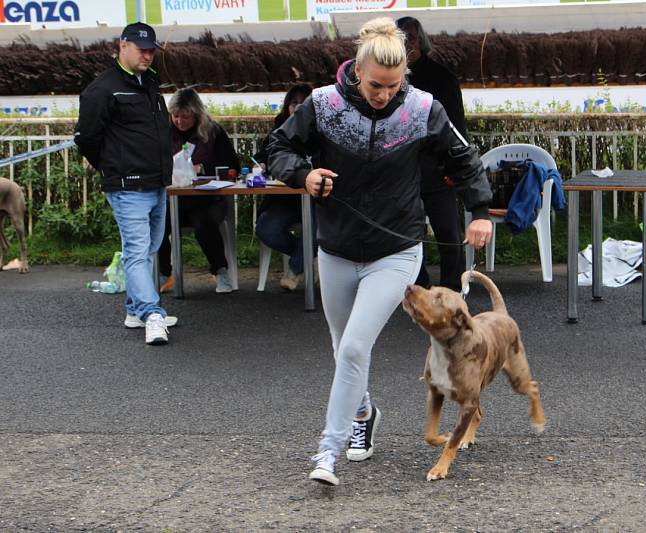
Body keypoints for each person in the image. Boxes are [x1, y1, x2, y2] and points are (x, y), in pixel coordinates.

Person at [269, 17, 493, 486]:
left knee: (354, 346)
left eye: (393, 86)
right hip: (336, 248)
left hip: (397, 249)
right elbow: (277, 147)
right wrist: (302, 175)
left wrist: (478, 211)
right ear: (357, 72)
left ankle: (327, 452)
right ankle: (365, 412)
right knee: (341, 349)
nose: (383, 95)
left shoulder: (422, 108)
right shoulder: (323, 105)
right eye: (375, 85)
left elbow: (464, 158)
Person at [74, 22, 176, 346]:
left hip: (157, 182)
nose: (147, 55)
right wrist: (112, 167)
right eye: (141, 49)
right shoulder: (102, 89)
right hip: (127, 186)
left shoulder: (150, 82)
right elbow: (86, 138)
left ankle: (135, 310)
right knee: (137, 252)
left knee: (148, 250)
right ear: (122, 45)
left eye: (151, 50)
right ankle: (152, 314)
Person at [397, 16, 469, 292]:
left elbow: (457, 128)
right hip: (403, 171)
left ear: (421, 41)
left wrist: (454, 168)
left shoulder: (441, 76)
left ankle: (453, 289)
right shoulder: (390, 78)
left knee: (449, 233)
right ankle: (419, 289)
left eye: (411, 38)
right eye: (400, 39)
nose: (406, 45)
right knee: (409, 235)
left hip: (438, 169)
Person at [157, 88, 240, 294]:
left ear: (197, 114)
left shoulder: (213, 132)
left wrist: (202, 169)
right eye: (175, 116)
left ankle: (220, 271)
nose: (180, 121)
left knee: (204, 223)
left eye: (185, 117)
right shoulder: (163, 132)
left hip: (207, 199)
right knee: (156, 223)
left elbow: (232, 166)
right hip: (173, 199)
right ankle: (163, 274)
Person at [253, 83, 315, 291]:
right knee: (265, 228)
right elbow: (264, 157)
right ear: (287, 106)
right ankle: (306, 258)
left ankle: (294, 269)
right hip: (283, 198)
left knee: (321, 227)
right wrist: (261, 164)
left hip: (317, 198)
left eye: (303, 103)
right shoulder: (277, 130)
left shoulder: (323, 130)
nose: (297, 108)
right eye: (293, 103)